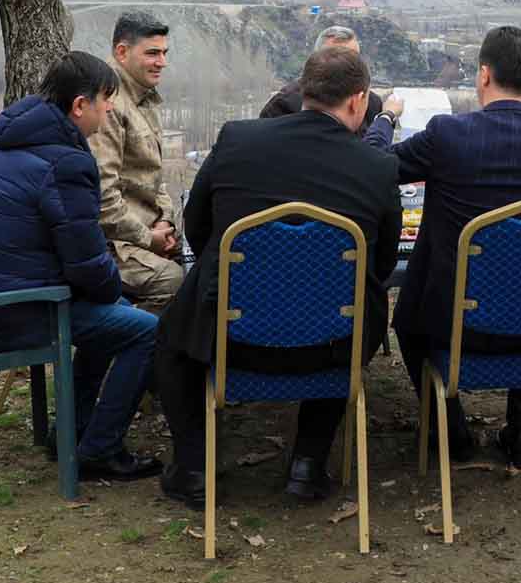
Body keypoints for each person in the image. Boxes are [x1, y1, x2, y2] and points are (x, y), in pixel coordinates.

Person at [154, 47, 401, 509]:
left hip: (229, 335)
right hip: (331, 342)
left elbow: (198, 225)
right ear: (359, 101)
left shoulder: (238, 140)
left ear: (304, 91)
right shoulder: (378, 167)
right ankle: (307, 465)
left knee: (171, 339)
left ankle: (193, 468)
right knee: (355, 303)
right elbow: (382, 264)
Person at [368, 26, 521, 468]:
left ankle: (451, 432)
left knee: (406, 323)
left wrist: (385, 119)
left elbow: (374, 168)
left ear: (484, 74)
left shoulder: (448, 134)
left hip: (453, 324)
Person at [0, 51, 161, 481]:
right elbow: (87, 264)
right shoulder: (65, 162)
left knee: (109, 320)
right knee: (144, 330)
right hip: (21, 311)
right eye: (105, 100)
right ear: (79, 106)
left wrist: (105, 291)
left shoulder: (16, 140)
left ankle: (71, 433)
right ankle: (100, 449)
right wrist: (115, 290)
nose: (109, 110)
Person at [89, 11, 183, 314]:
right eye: (152, 53)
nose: (162, 62)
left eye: (164, 53)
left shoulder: (145, 99)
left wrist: (166, 219)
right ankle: (133, 353)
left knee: (212, 265)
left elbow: (155, 180)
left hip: (149, 231)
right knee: (172, 280)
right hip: (114, 243)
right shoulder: (108, 105)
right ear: (122, 52)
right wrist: (149, 238)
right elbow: (103, 198)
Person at [259, 25, 385, 130]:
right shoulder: (283, 104)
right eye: (334, 56)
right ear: (316, 58)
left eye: (352, 58)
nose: (343, 64)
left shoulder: (371, 103)